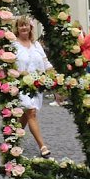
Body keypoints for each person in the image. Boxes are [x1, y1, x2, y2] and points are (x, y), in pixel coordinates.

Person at [13, 16, 53, 158]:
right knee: (31, 112)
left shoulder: (36, 45)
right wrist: (18, 73)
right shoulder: (13, 45)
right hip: (21, 85)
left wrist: (53, 76)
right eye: (20, 26)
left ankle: (13, 140)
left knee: (26, 115)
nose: (24, 28)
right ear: (17, 28)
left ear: (31, 27)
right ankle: (42, 146)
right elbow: (9, 65)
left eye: (26, 25)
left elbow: (45, 61)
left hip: (36, 85)